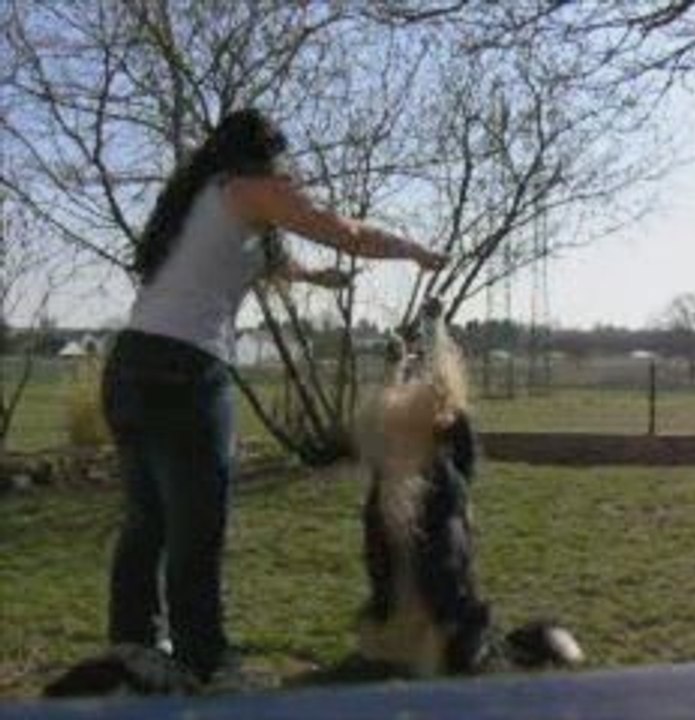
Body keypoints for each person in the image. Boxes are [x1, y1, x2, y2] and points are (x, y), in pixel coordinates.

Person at [101, 108, 446, 685]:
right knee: (197, 524)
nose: (287, 173)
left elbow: (271, 264)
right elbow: (349, 233)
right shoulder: (250, 186)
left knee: (148, 520)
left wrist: (318, 280)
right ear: (261, 157)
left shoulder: (199, 199)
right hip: (185, 371)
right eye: (281, 160)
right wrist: (414, 250)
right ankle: (204, 660)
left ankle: (133, 644)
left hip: (130, 367)